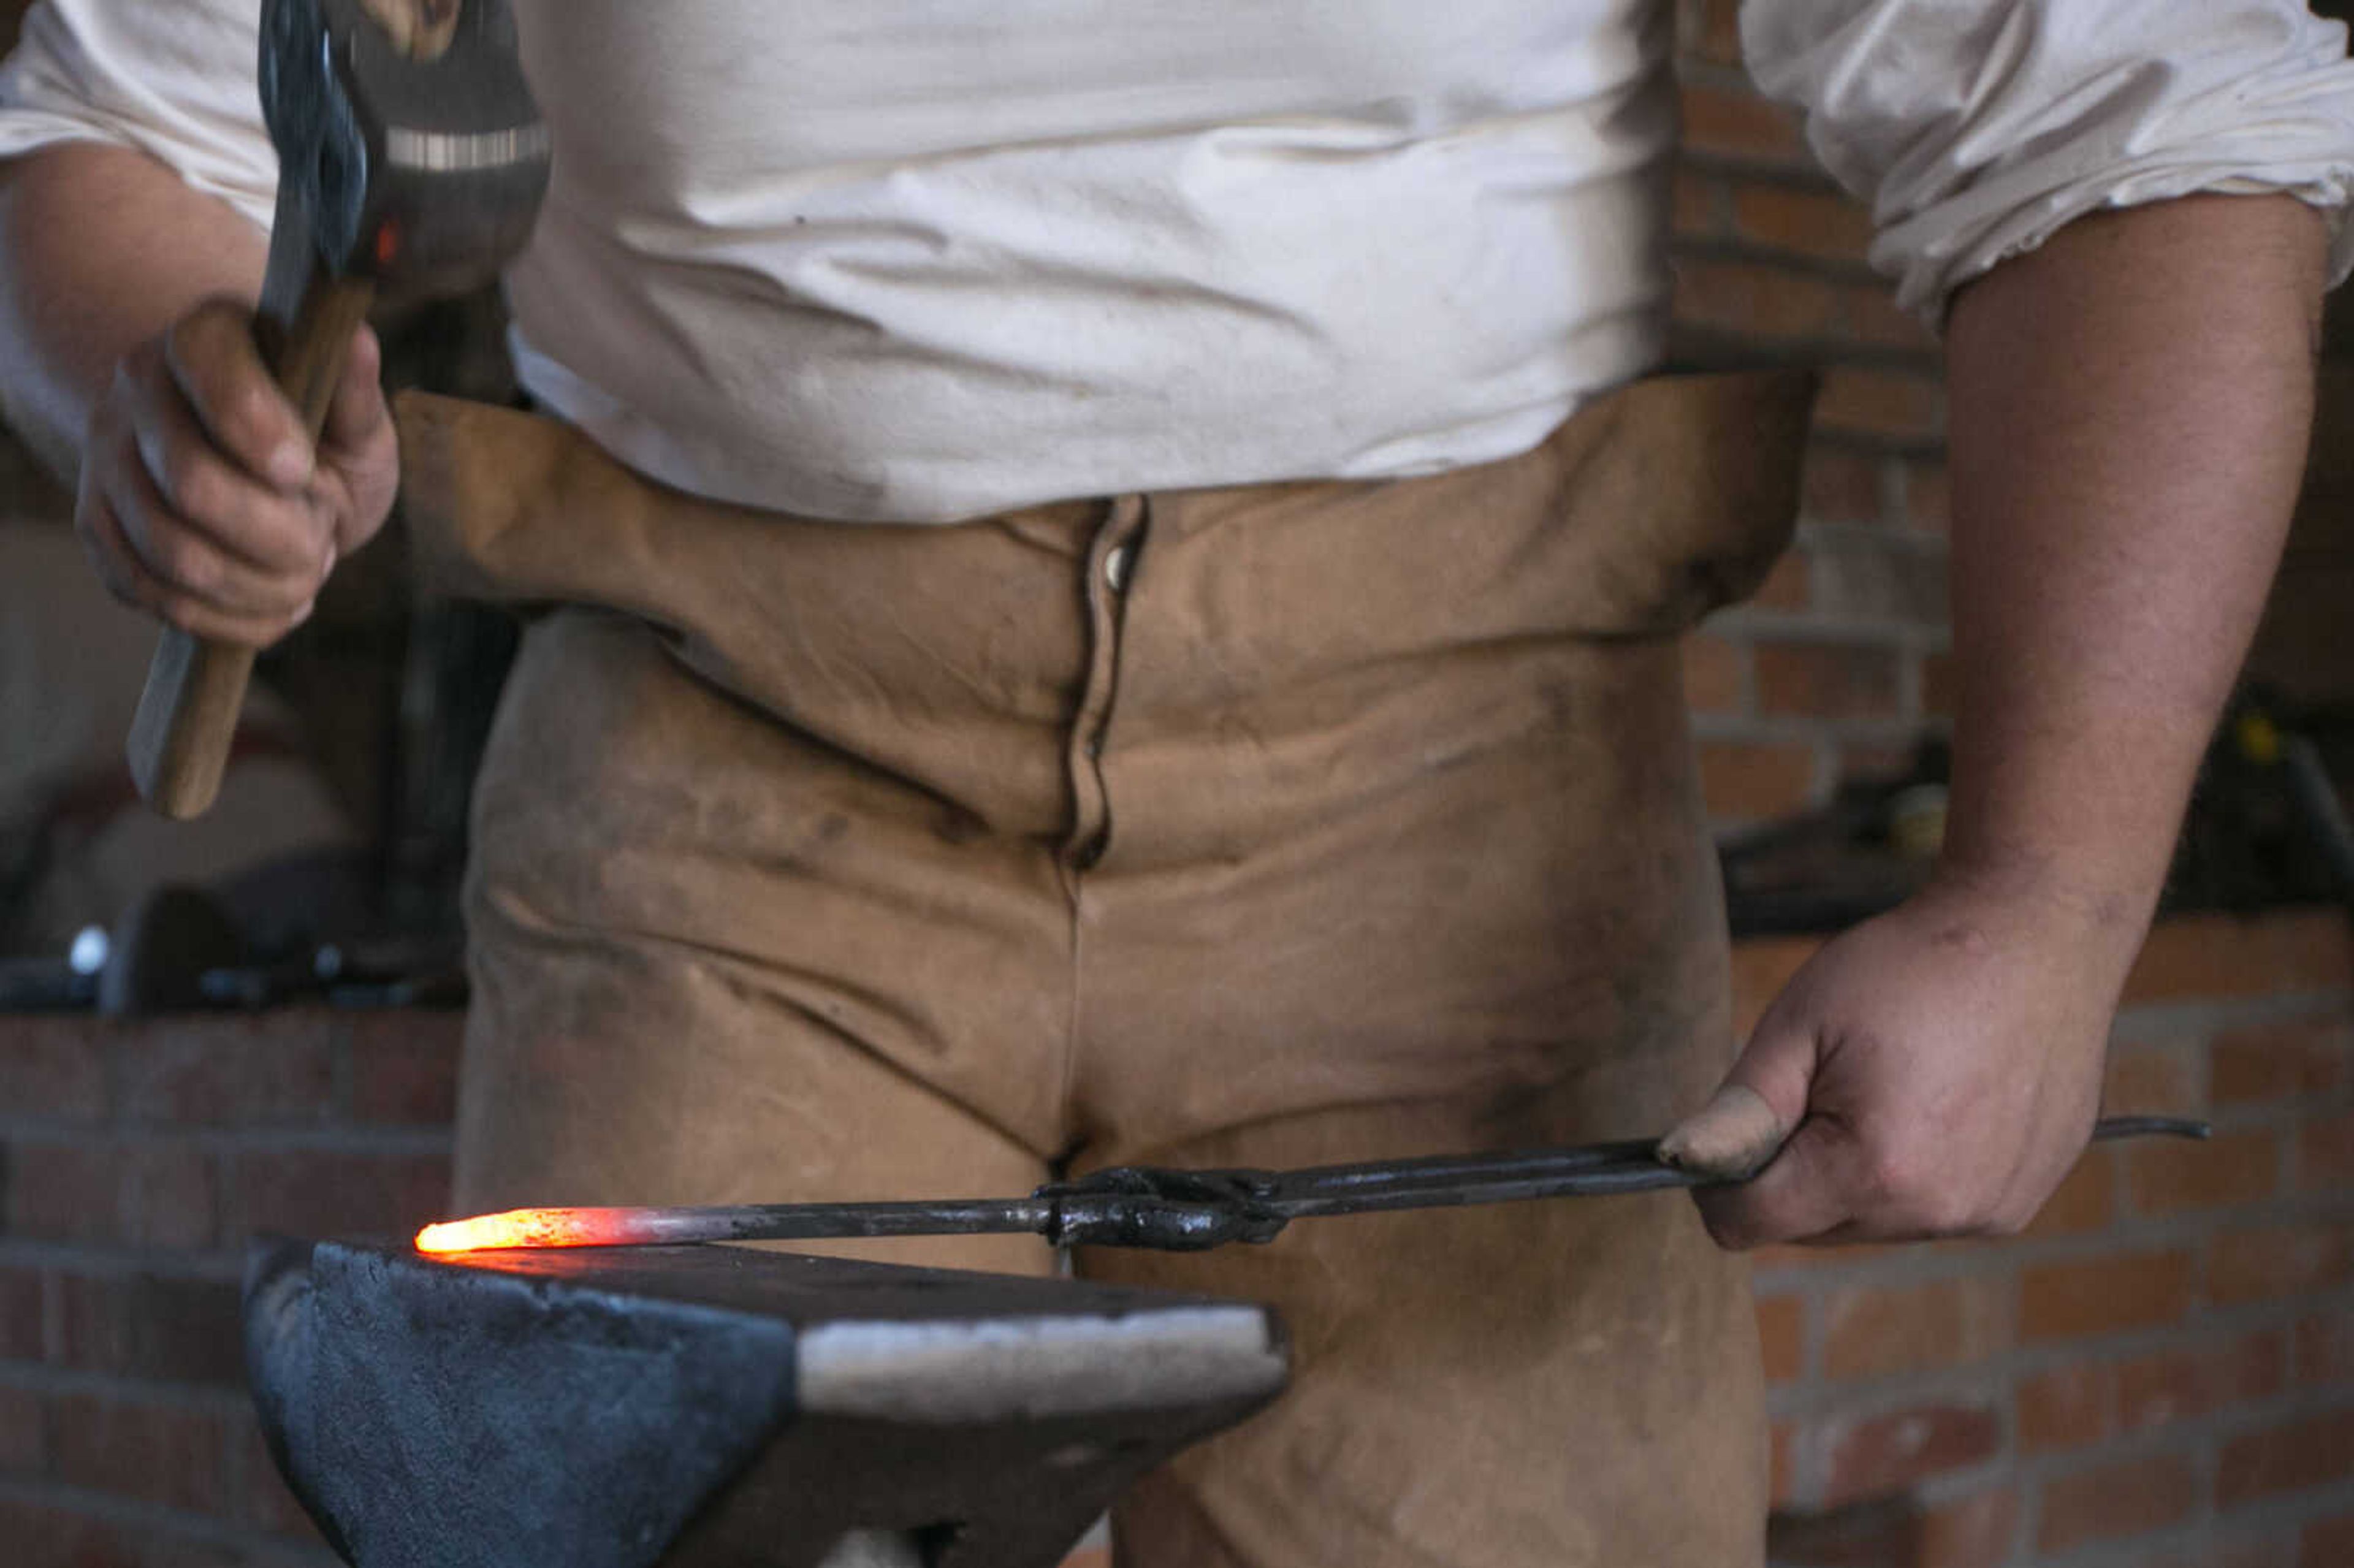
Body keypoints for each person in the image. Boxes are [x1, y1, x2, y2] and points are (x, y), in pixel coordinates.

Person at [1, 2, 2349, 1562]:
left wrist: (2054, 897)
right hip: (731, 775)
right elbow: (117, 126)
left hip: (1461, 814)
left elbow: (2120, 118)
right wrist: (150, 376)